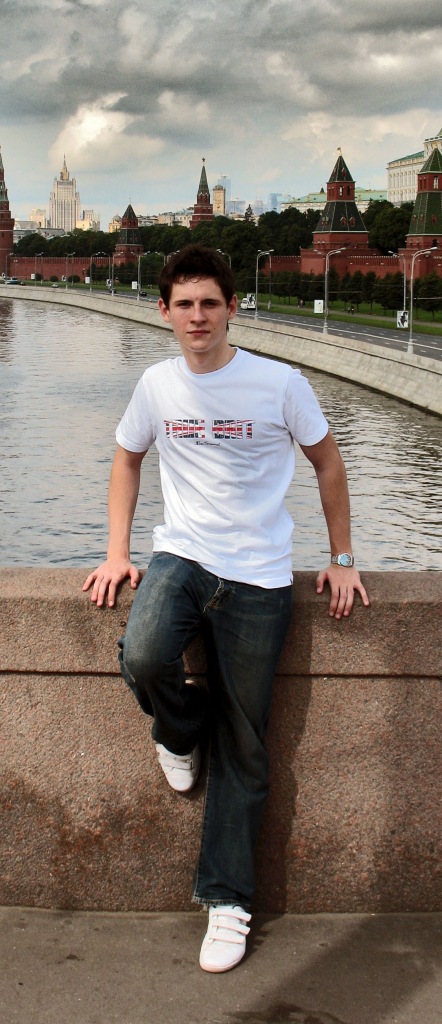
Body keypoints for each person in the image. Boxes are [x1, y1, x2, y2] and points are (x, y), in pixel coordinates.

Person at [83, 244, 369, 974]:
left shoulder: (280, 384)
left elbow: (329, 464)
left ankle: (226, 900)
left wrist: (341, 558)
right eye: (184, 304)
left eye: (210, 302)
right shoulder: (155, 385)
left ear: (232, 307)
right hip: (182, 557)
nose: (198, 316)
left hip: (261, 576)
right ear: (164, 312)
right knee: (145, 655)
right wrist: (116, 552)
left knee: (245, 743)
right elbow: (126, 459)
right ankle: (179, 731)